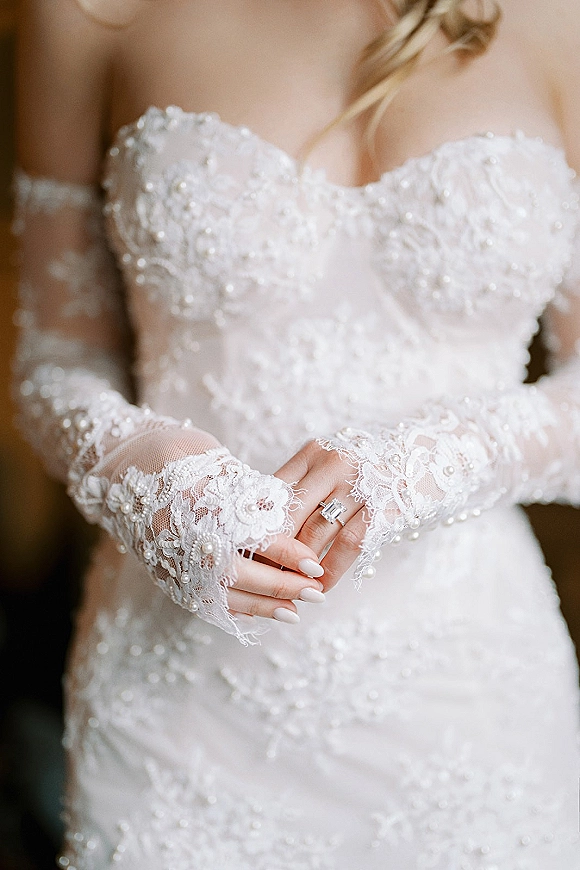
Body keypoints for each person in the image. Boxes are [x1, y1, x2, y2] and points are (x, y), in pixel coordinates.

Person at [13, 0, 580, 865]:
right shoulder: (90, 16)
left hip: (471, 699)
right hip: (179, 718)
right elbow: (53, 359)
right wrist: (137, 466)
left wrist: (437, 460)